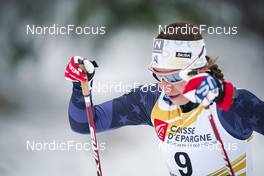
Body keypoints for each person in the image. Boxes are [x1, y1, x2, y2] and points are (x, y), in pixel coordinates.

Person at [64, 22, 264, 176]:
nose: (166, 86)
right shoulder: (150, 100)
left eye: (175, 77)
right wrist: (79, 86)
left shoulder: (232, 104)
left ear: (199, 70)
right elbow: (84, 123)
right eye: (158, 76)